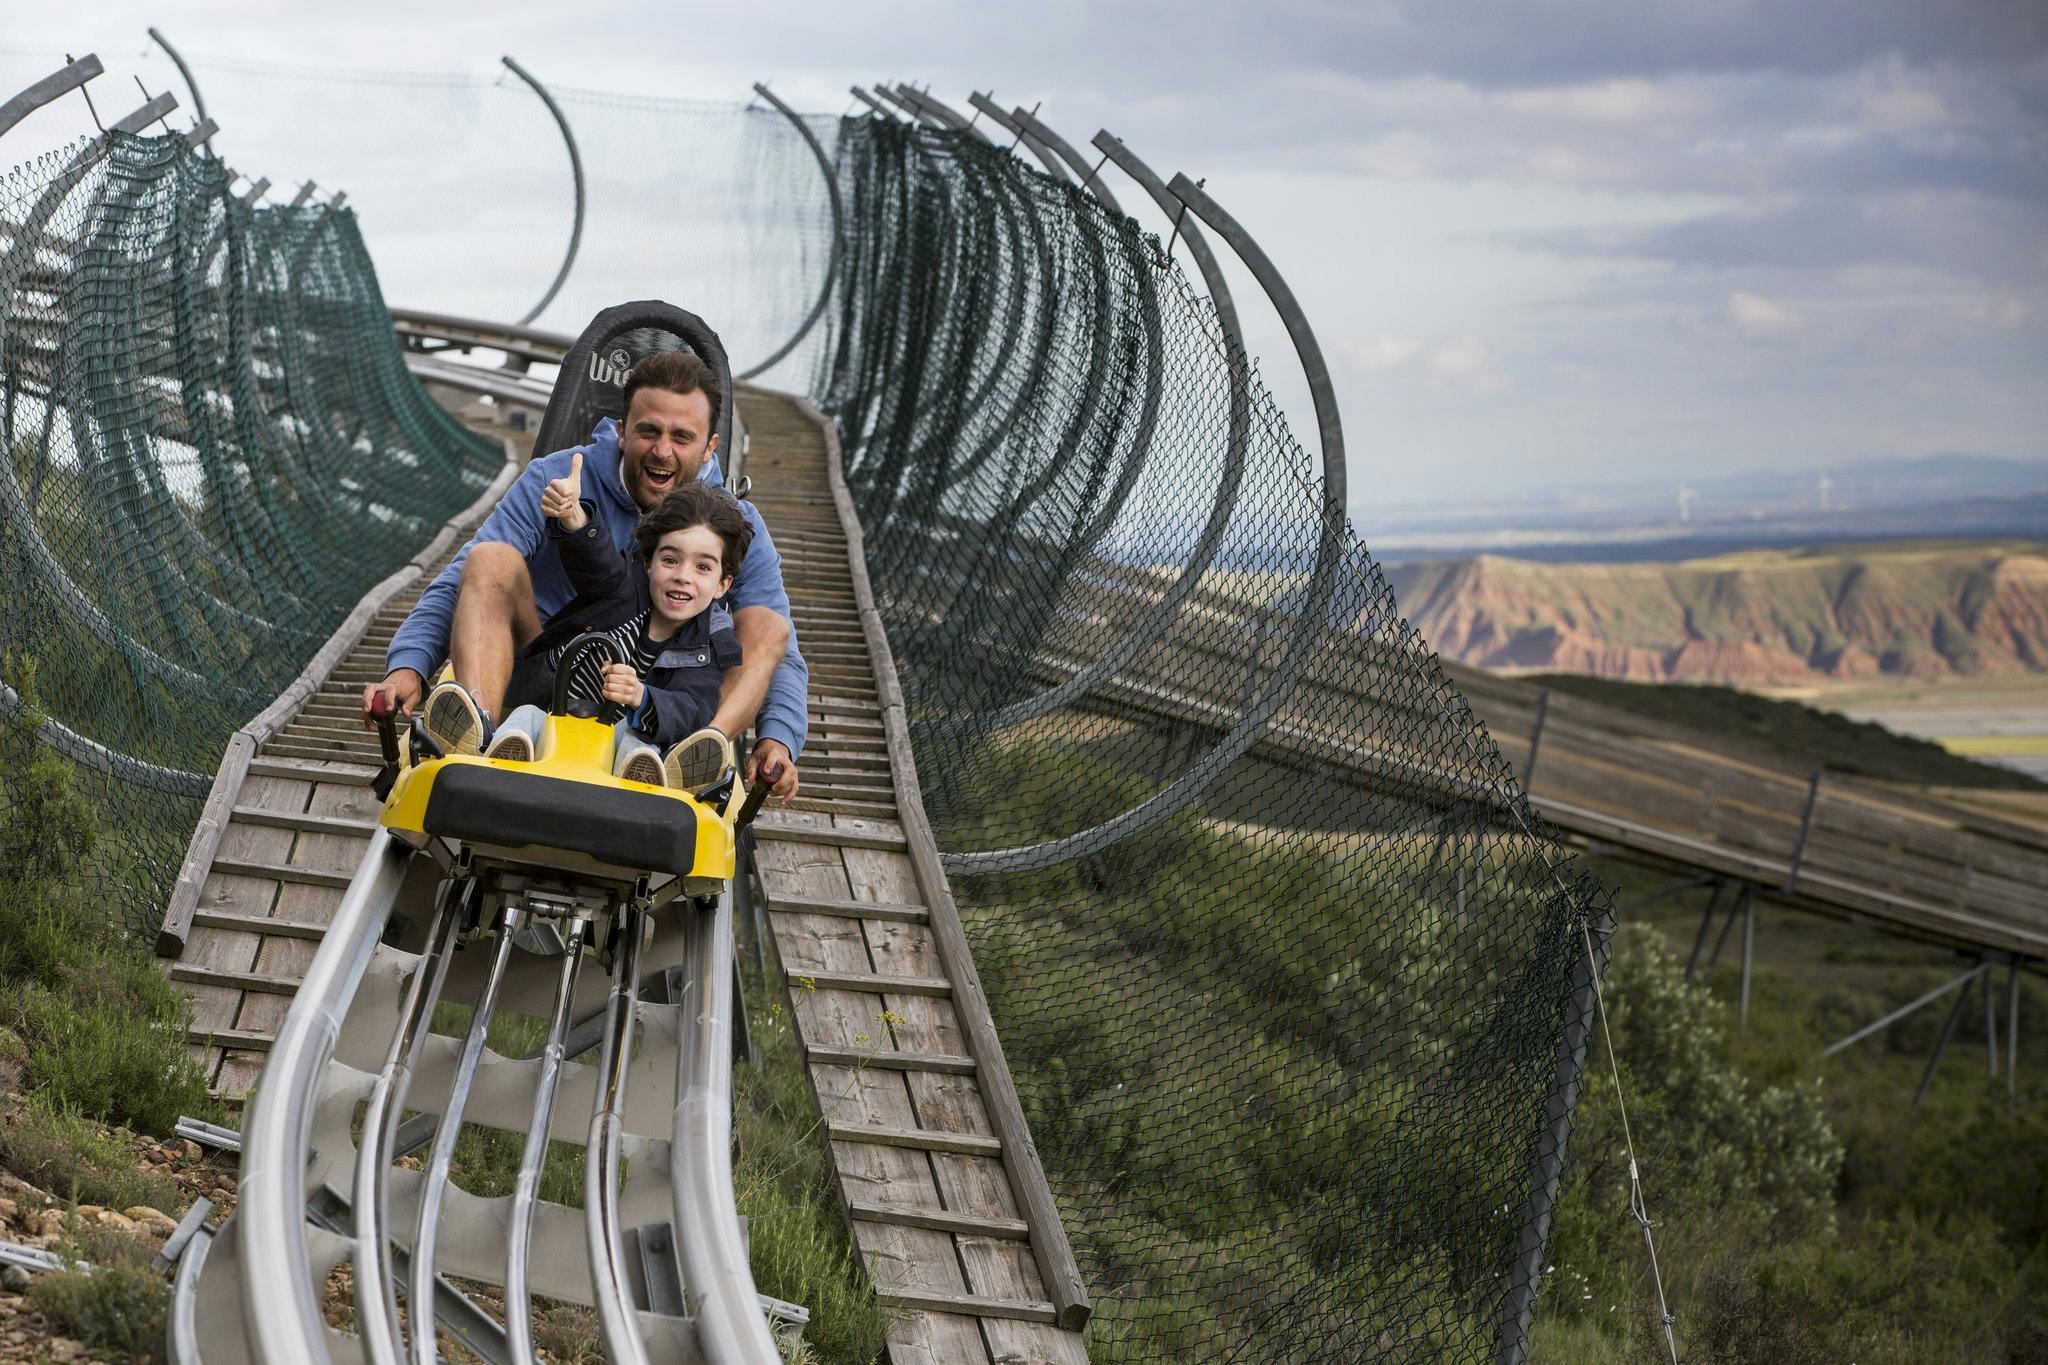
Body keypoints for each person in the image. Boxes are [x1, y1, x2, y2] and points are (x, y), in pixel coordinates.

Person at [364, 349, 804, 800]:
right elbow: (463, 582)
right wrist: (410, 668)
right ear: (621, 430)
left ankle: (694, 757)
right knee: (489, 558)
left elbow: (776, 647)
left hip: (661, 698)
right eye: (648, 431)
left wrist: (779, 736)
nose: (662, 451)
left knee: (770, 623)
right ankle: (477, 732)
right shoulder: (555, 477)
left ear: (711, 446)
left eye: (682, 437)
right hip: (547, 671)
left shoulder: (733, 524)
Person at [467, 478, 750, 792]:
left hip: (612, 753)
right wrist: (574, 519)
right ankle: (501, 749)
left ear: (722, 585)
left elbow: (694, 707)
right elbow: (595, 560)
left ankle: (641, 778)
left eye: (702, 567)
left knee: (634, 739)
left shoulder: (708, 643)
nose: (682, 576)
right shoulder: (623, 587)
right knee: (526, 715)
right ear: (648, 563)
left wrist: (643, 697)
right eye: (670, 560)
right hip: (552, 715)